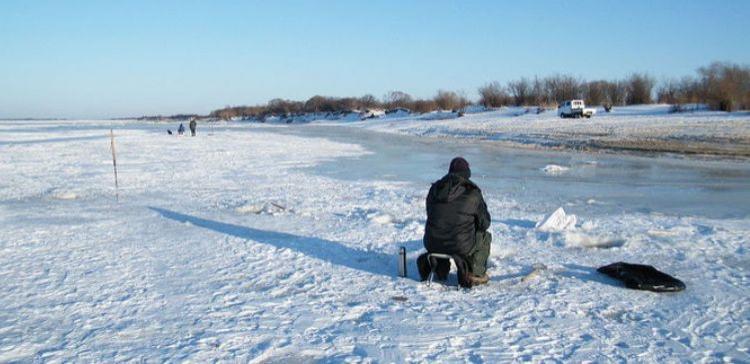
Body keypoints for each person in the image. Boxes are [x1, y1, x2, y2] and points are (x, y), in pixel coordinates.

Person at [418, 157, 492, 287]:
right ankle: (475, 273)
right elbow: (484, 223)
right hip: (460, 246)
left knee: (443, 227)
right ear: (467, 173)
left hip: (432, 242)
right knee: (485, 236)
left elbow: (431, 214)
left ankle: (440, 269)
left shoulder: (434, 190)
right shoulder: (473, 193)